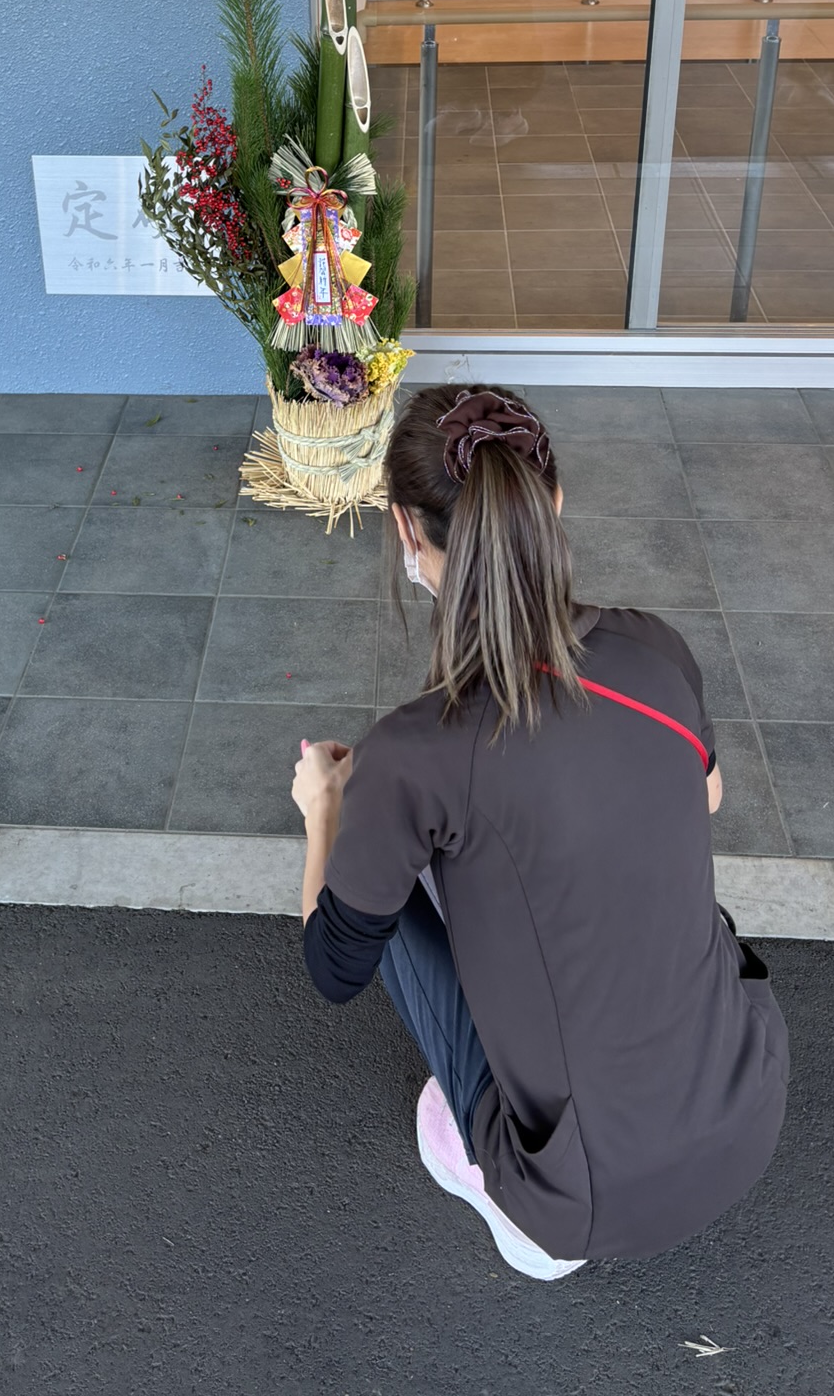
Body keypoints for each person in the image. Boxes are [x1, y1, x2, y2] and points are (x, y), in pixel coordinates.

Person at [293, 386, 788, 1278]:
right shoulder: (654, 648)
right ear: (553, 502)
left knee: (375, 882)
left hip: (585, 1202)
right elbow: (706, 797)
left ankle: (498, 1183)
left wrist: (328, 806)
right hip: (747, 1110)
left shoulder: (411, 755)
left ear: (406, 531)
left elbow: (333, 968)